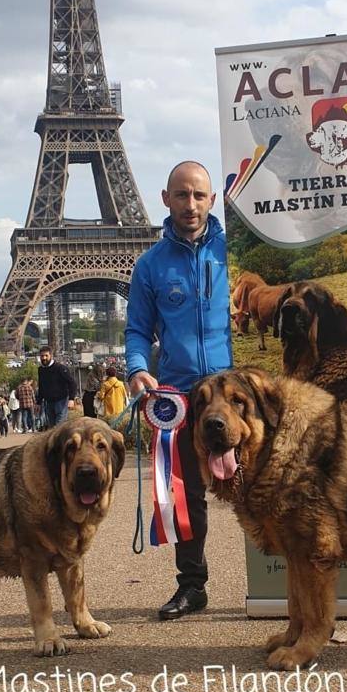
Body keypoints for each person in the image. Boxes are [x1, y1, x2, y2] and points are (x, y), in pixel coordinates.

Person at [125, 161, 232, 620]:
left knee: (268, 486)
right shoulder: (149, 265)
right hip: (181, 395)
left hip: (236, 392)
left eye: (200, 195)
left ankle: (285, 580)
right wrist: (135, 368)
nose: (191, 204)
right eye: (182, 195)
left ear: (211, 200)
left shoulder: (234, 251)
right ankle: (193, 586)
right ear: (165, 199)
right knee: (185, 494)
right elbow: (137, 331)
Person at [37, 347, 76, 429]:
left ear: (51, 356)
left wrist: (71, 399)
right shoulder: (41, 370)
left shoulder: (60, 368)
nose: (44, 358)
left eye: (46, 356)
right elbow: (41, 386)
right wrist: (38, 402)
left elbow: (72, 383)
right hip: (49, 402)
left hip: (61, 401)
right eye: (42, 356)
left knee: (59, 427)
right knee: (52, 428)